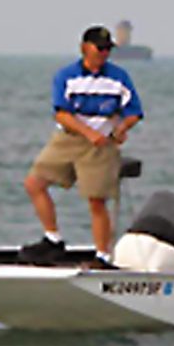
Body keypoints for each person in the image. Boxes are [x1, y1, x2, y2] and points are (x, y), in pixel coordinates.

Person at [20, 25, 144, 265]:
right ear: (85, 48)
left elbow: (134, 111)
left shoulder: (119, 77)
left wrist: (121, 129)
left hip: (101, 145)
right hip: (69, 139)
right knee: (34, 183)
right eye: (100, 48)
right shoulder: (67, 76)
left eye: (108, 49)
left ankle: (102, 255)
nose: (104, 54)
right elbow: (61, 113)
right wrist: (87, 132)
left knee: (96, 200)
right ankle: (52, 238)